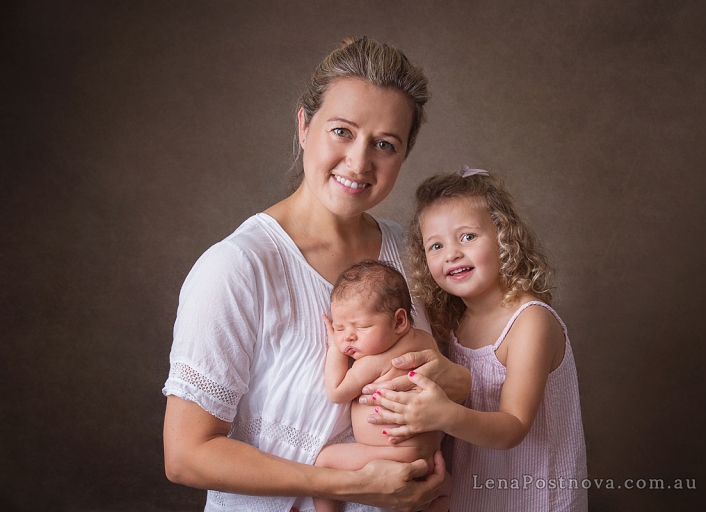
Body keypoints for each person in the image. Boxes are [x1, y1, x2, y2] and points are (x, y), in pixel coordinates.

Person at [161, 37, 471, 512]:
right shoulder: (238, 267)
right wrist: (349, 484)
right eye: (342, 131)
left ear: (403, 156)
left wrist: (452, 382)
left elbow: (476, 376)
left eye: (385, 144)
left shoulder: (414, 255)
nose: (359, 162)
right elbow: (185, 456)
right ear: (305, 125)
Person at [367, 167, 588, 511]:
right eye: (436, 245)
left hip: (533, 495)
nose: (452, 253)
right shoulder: (454, 321)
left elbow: (512, 427)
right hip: (475, 494)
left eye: (467, 237)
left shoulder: (530, 321)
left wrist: (442, 414)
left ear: (503, 237)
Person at [313, 260, 450, 512]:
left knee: (323, 462)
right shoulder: (425, 342)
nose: (347, 336)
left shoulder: (372, 363)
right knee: (442, 497)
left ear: (399, 322)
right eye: (340, 327)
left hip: (391, 456)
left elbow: (336, 392)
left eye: (361, 327)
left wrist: (335, 349)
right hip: (430, 456)